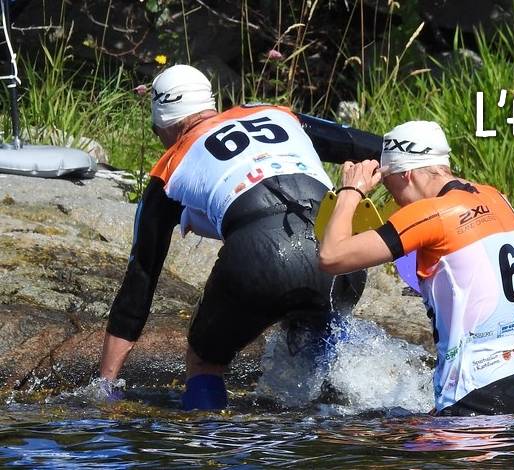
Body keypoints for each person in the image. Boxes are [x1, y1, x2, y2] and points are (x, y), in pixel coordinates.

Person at [99, 64, 363, 410]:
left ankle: (208, 437)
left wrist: (104, 386)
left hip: (263, 257)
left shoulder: (170, 169)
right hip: (343, 248)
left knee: (203, 361)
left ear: (164, 125)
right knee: (318, 338)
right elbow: (375, 147)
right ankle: (347, 419)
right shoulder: (277, 114)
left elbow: (140, 282)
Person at [318, 121, 514, 416]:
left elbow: (331, 256)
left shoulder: (431, 214)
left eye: (389, 187)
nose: (394, 201)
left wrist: (350, 191)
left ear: (406, 174)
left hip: (475, 394)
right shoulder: (497, 199)